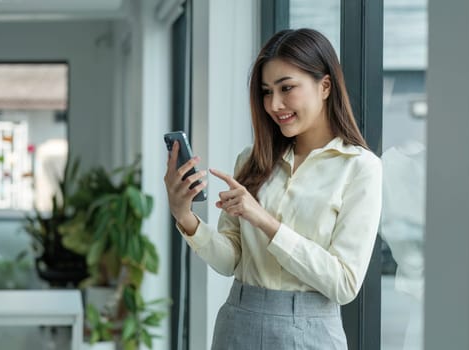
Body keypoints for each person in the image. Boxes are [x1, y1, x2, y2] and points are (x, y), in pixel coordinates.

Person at [164, 28, 382, 350]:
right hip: (238, 321)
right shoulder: (252, 160)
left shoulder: (359, 167)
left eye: (287, 88)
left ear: (325, 86)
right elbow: (229, 262)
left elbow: (344, 283)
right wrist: (184, 215)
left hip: (312, 331)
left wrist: (264, 220)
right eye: (266, 91)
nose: (274, 104)